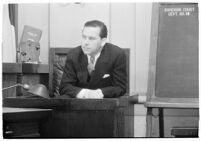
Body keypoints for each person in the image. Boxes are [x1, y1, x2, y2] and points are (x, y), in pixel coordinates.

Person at [59, 20, 127, 98]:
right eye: (84, 37)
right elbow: (64, 87)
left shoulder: (116, 55)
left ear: (103, 41)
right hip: (77, 102)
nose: (86, 42)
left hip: (105, 104)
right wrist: (84, 93)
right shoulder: (73, 54)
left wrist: (100, 93)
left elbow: (120, 87)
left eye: (91, 38)